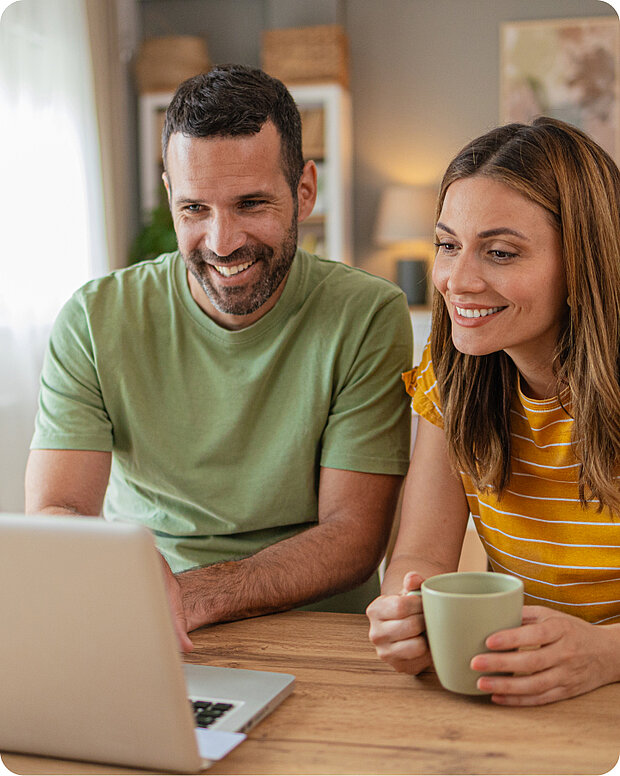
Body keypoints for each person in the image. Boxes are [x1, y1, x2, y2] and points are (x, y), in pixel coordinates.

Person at [26, 65, 413, 652]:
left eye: (250, 204)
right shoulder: (94, 318)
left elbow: (354, 536)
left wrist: (190, 597)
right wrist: (142, 593)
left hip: (314, 630)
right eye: (194, 209)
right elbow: (57, 510)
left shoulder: (367, 314)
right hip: (153, 627)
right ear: (169, 198)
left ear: (305, 191)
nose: (222, 241)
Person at [367, 116, 620, 706]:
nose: (457, 280)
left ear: (584, 263)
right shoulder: (451, 376)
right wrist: (408, 612)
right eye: (448, 245)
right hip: (517, 690)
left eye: (500, 253)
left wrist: (607, 653)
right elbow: (419, 556)